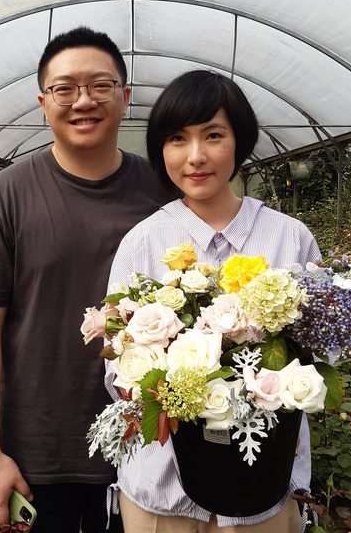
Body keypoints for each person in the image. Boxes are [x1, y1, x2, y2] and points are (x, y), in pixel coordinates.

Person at [0, 26, 172, 532]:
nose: (83, 101)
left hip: (151, 443)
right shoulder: (6, 195)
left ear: (125, 97)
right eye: (65, 89)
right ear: (43, 103)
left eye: (100, 86)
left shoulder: (163, 192)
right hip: (38, 453)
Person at [106, 70, 321, 532]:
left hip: (263, 492)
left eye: (214, 135)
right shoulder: (143, 242)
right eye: (177, 138)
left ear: (239, 141)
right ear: (161, 149)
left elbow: (320, 354)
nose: (196, 156)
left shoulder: (289, 238)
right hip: (161, 498)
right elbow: (118, 366)